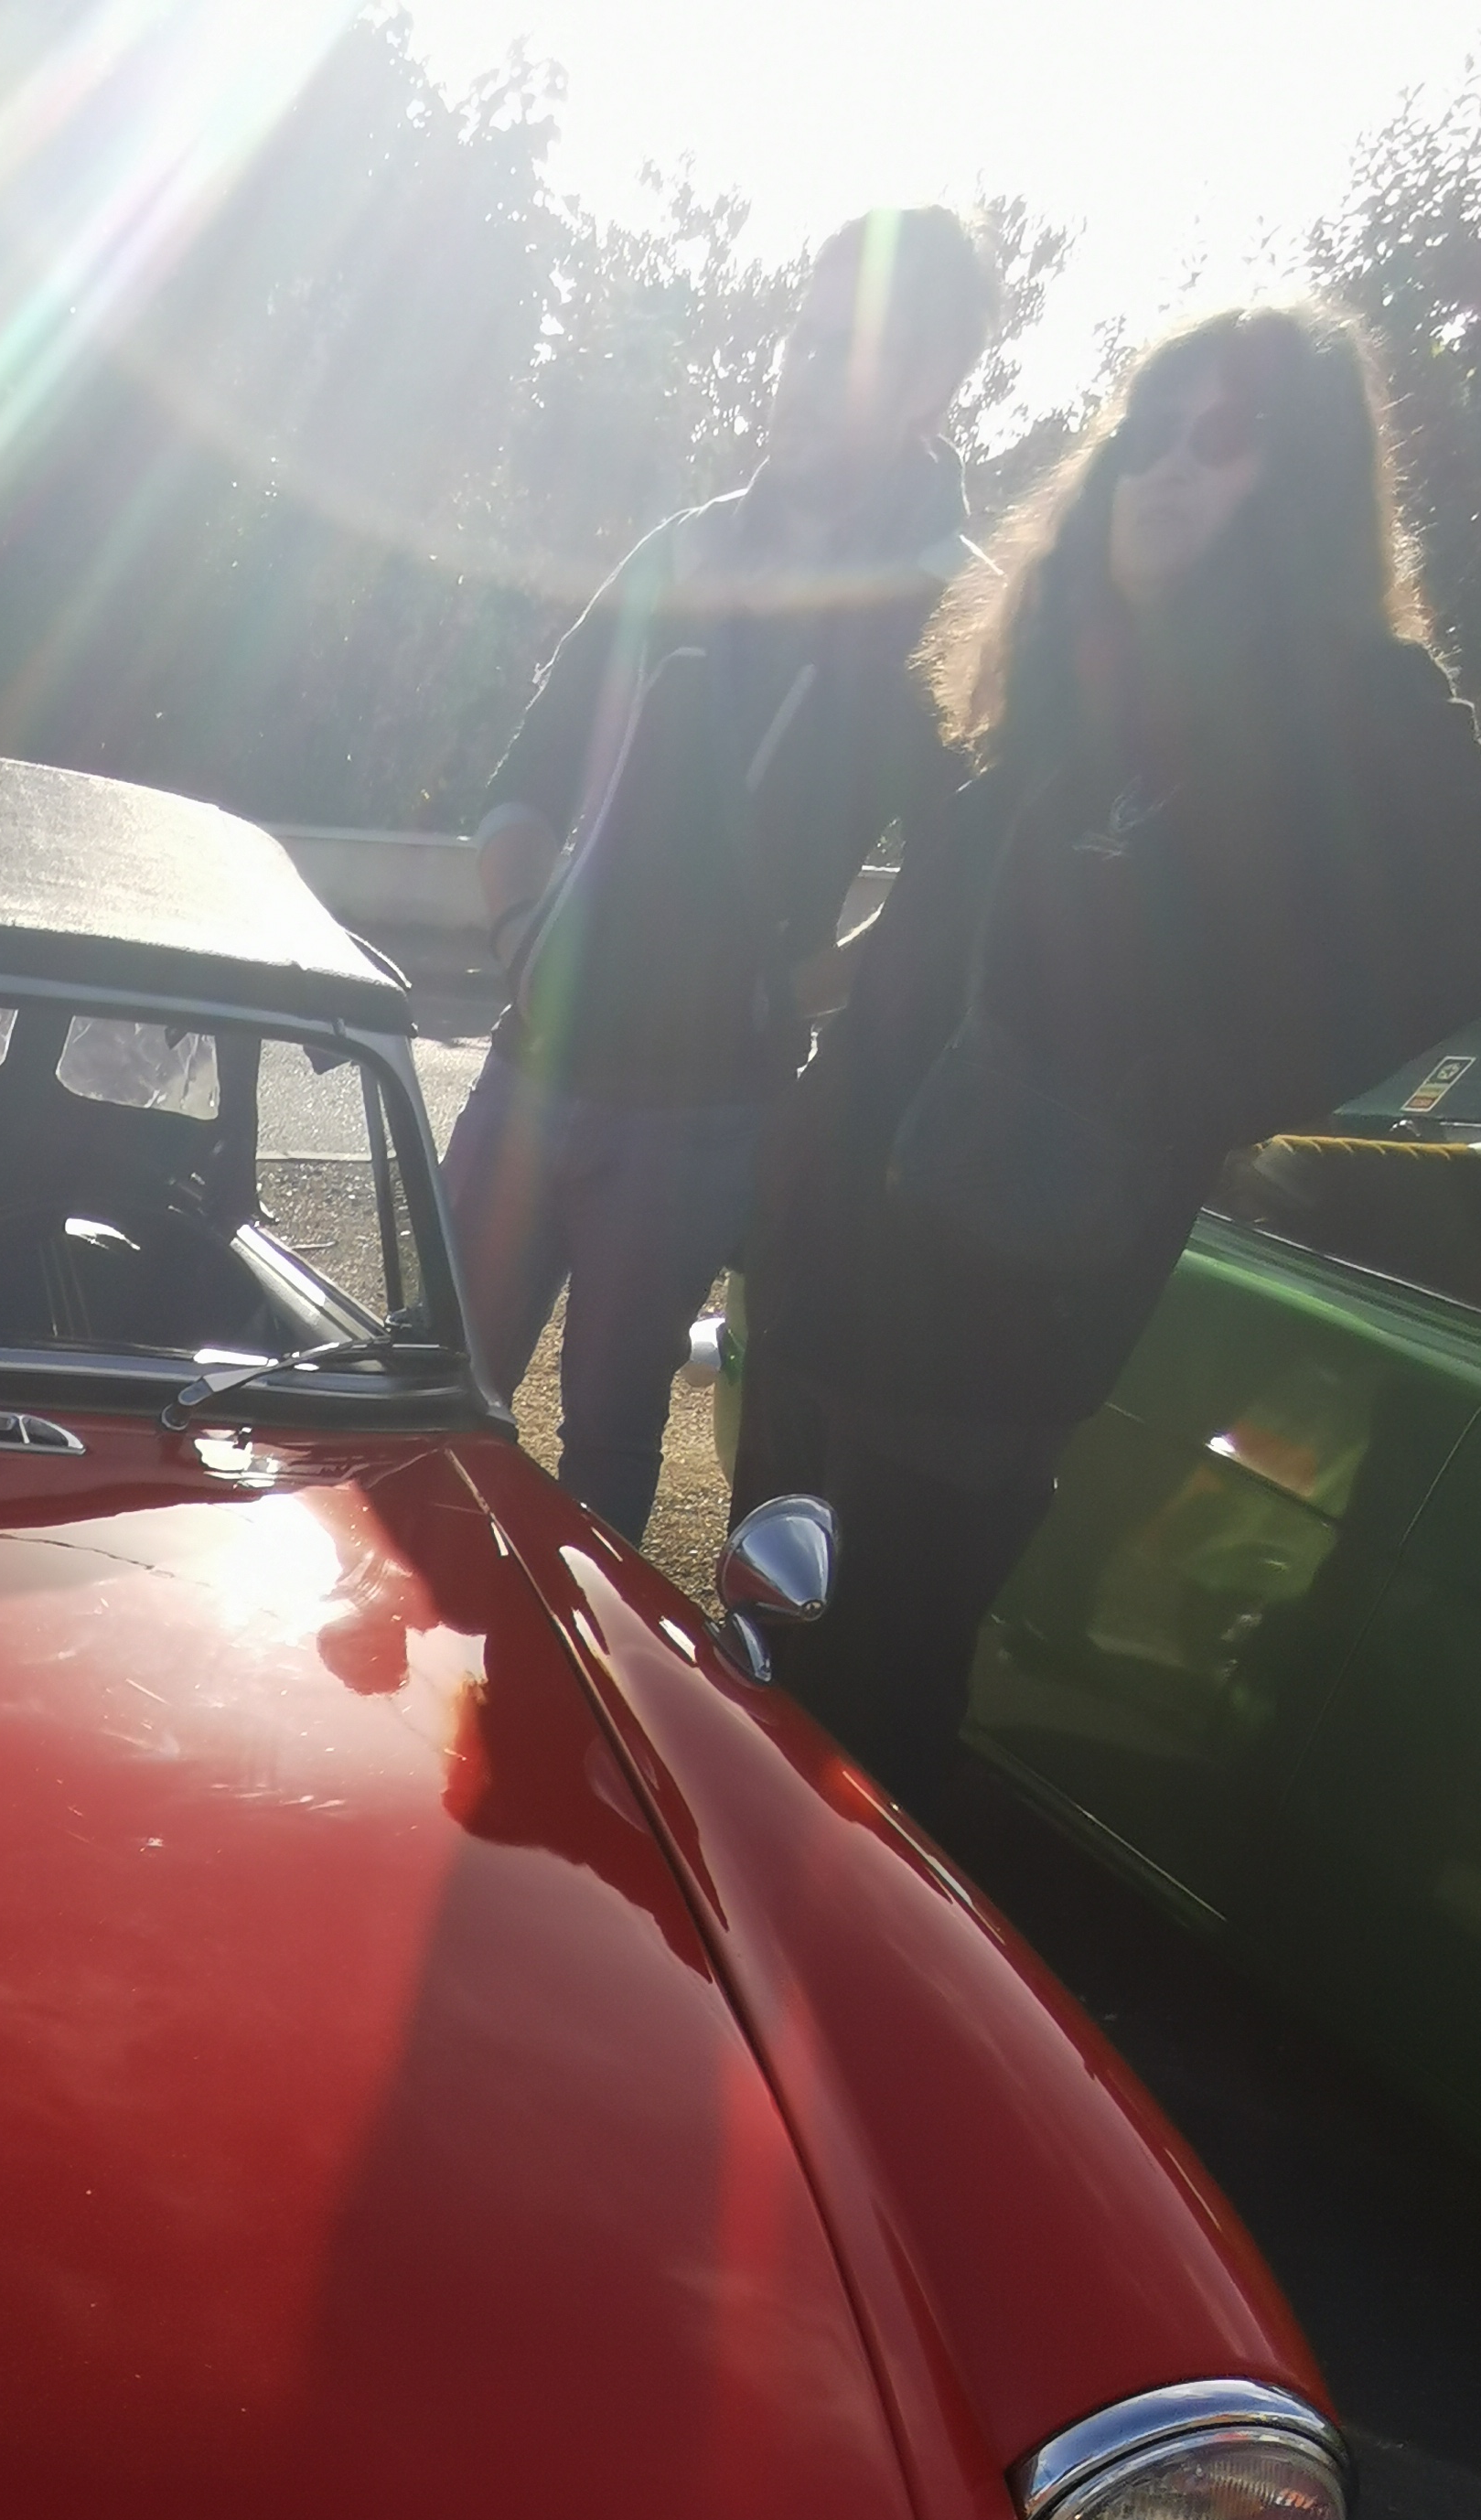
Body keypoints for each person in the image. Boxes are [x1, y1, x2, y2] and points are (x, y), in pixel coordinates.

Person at [737, 304, 1481, 1813]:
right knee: (755, 1656)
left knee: (863, 1733)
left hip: (988, 1327)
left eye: (1227, 438)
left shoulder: (1330, 718)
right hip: (826, 1274)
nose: (1168, 467)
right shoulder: (1072, 694)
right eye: (1148, 434)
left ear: (1306, 487)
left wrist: (1195, 1090)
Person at [437, 204, 999, 1544]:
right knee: (427, 1405)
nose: (802, 374)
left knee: (607, 1446)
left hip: (702, 1117)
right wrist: (522, 942)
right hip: (530, 1069)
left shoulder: (955, 608)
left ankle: (567, 1675)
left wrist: (793, 991)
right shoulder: (684, 548)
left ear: (931, 382)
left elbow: (964, 890)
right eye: (802, 338)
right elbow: (520, 778)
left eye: (848, 352)